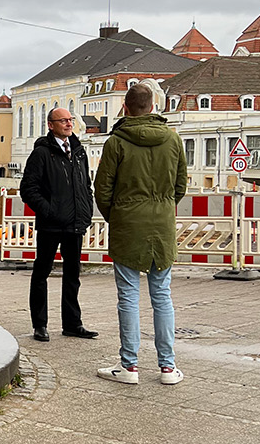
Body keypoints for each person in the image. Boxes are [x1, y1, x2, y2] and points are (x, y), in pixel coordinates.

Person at [93, 81, 188, 386]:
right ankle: (168, 368)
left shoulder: (116, 142)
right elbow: (180, 186)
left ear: (126, 107)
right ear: (153, 106)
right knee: (162, 296)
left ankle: (129, 366)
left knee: (128, 297)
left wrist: (117, 216)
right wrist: (162, 208)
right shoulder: (173, 141)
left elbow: (102, 189)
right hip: (161, 227)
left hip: (127, 225)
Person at [19, 106, 98, 342]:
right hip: (51, 225)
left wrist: (87, 208)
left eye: (70, 120)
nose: (68, 124)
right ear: (51, 125)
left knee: (73, 275)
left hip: (75, 223)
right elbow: (28, 190)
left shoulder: (79, 152)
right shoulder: (42, 154)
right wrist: (49, 210)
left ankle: (73, 324)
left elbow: (86, 185)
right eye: (63, 120)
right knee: (41, 273)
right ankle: (40, 325)